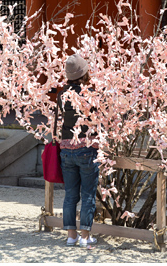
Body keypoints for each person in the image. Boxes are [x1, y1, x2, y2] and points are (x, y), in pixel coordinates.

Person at [58, 54, 99, 248]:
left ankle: (71, 236)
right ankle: (85, 237)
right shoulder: (90, 93)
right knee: (88, 194)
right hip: (86, 148)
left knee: (70, 194)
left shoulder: (61, 94)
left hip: (66, 148)